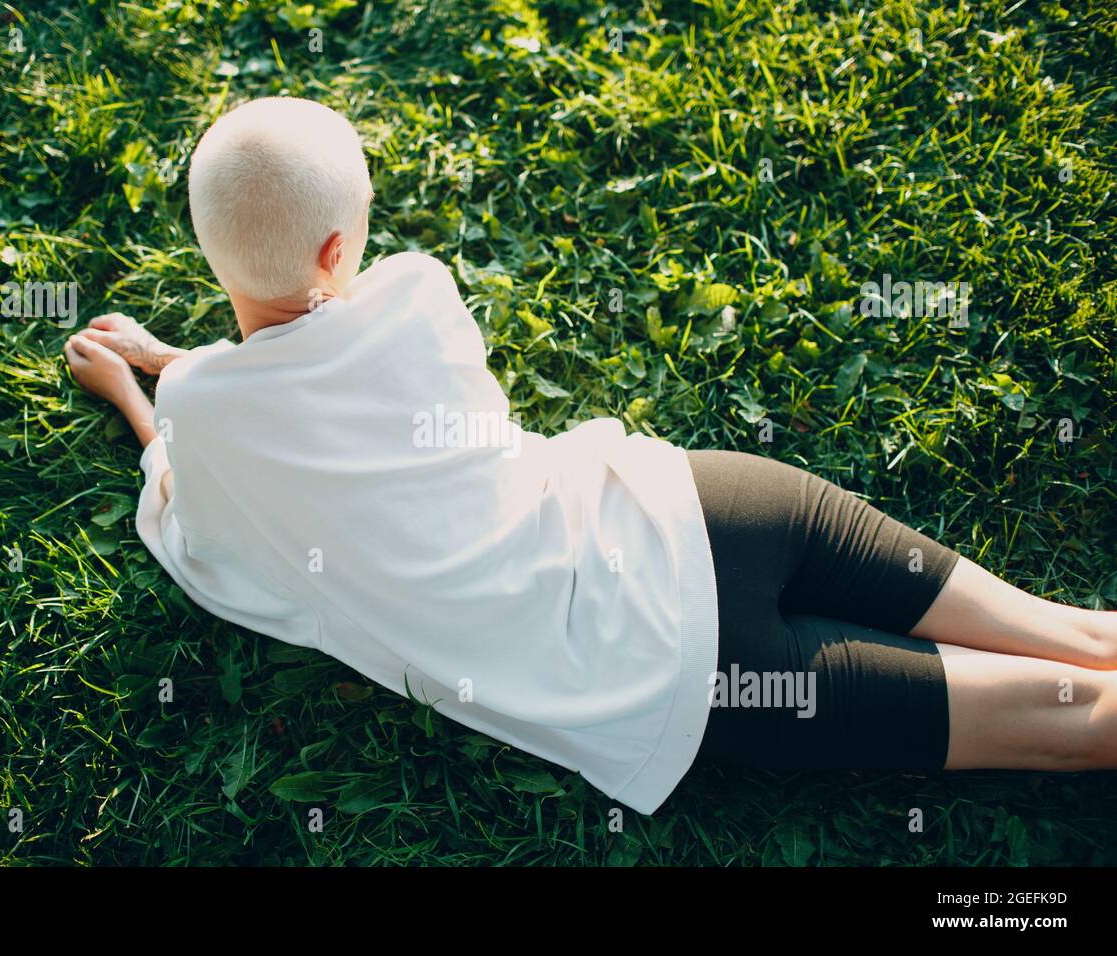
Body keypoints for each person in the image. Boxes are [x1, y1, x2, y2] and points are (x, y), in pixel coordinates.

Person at [64, 96, 1117, 815]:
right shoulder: (416, 300)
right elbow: (305, 367)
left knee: (1069, 723)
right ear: (342, 252)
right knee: (1069, 632)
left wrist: (143, 388)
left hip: (688, 675)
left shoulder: (204, 414)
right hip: (713, 504)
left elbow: (197, 520)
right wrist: (176, 365)